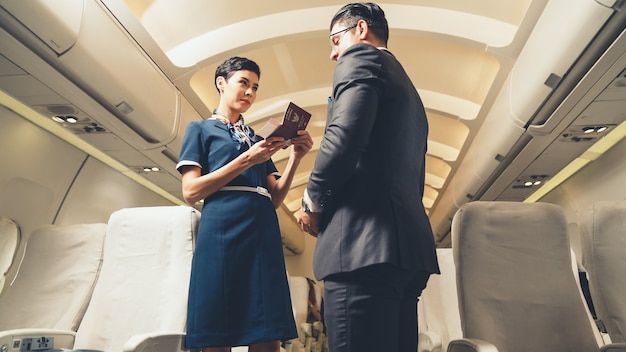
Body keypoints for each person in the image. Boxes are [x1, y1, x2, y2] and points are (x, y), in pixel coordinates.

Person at [297, 3, 440, 352]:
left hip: (362, 245)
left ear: (361, 30)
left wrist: (312, 201)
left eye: (335, 40)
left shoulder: (361, 59)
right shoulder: (409, 91)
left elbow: (343, 137)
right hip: (405, 250)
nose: (333, 54)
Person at [177, 56, 313, 352]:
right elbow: (190, 192)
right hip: (222, 230)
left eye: (255, 87)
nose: (250, 92)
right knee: (218, 328)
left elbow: (275, 197)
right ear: (221, 83)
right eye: (243, 83)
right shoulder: (200, 130)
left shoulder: (257, 138)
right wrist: (248, 159)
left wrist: (295, 158)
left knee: (268, 332)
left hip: (262, 231)